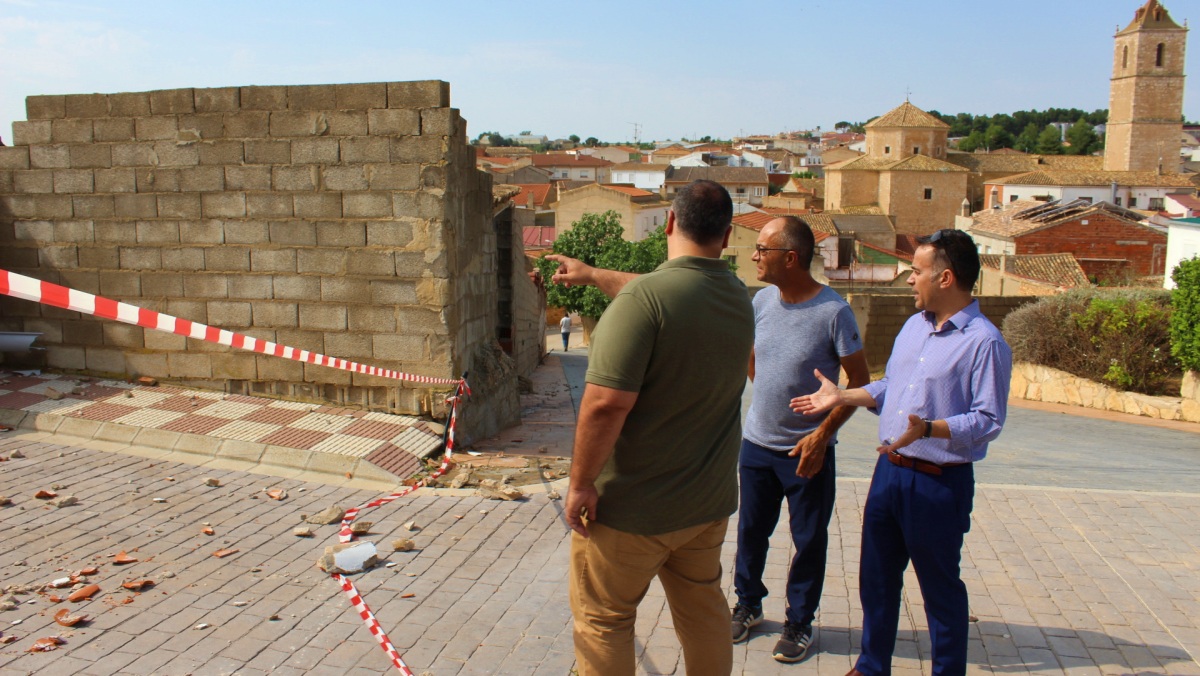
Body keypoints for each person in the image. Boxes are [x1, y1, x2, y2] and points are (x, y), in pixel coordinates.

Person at [792, 229, 1012, 676]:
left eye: (916, 271)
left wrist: (930, 429)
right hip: (888, 473)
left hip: (938, 484)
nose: (909, 279)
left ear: (945, 278)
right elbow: (891, 387)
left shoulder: (985, 342)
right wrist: (842, 397)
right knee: (876, 579)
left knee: (940, 591)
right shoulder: (914, 327)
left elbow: (988, 420)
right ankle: (872, 666)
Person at [560, 179, 754, 675]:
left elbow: (605, 405)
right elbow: (661, 291)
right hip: (705, 507)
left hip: (633, 511)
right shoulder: (736, 294)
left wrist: (580, 484)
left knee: (604, 619)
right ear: (726, 235)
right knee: (704, 610)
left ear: (668, 222)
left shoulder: (645, 301)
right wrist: (593, 274)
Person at [731, 216, 869, 663]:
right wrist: (768, 403)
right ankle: (748, 604)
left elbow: (860, 382)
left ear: (790, 258)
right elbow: (754, 360)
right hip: (757, 444)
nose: (754, 256)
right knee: (751, 531)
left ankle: (799, 623)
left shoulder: (834, 313)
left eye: (762, 249)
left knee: (808, 539)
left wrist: (822, 434)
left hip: (807, 451)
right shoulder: (761, 301)